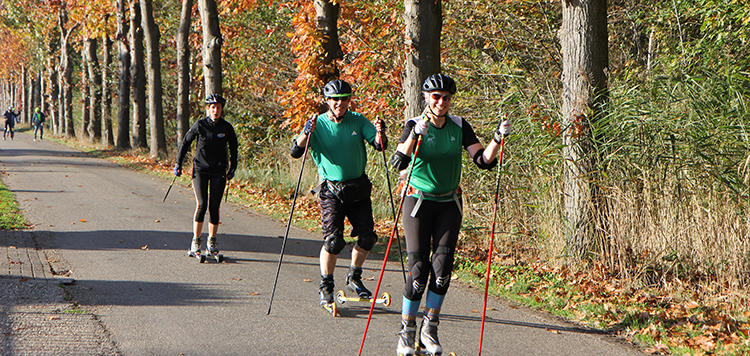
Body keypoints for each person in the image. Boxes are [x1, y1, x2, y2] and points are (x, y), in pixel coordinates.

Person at [390, 73, 511, 356]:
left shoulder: (459, 125)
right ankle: (406, 332)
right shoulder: (414, 125)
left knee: (442, 268)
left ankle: (429, 329)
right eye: (435, 97)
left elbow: (482, 161)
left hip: (449, 203)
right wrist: (414, 136)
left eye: (445, 98)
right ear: (426, 98)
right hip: (418, 203)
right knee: (419, 271)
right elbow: (399, 161)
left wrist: (497, 138)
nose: (441, 102)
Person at [290, 79, 387, 306]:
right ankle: (326, 285)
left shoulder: (358, 120)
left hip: (358, 189)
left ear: (349, 100)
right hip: (331, 191)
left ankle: (354, 276)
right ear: (327, 101)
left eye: (344, 99)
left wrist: (381, 132)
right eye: (335, 99)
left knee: (368, 237)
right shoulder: (317, 124)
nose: (339, 103)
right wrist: (306, 133)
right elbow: (296, 151)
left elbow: (379, 145)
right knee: (334, 242)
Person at [174, 94, 238, 258]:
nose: (215, 110)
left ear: (222, 109)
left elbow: (234, 149)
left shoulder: (226, 128)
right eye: (212, 107)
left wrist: (232, 168)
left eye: (218, 108)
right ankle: (196, 241)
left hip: (218, 170)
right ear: (208, 109)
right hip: (200, 170)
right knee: (202, 205)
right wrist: (178, 164)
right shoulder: (200, 125)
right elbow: (185, 143)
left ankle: (212, 241)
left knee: (214, 207)